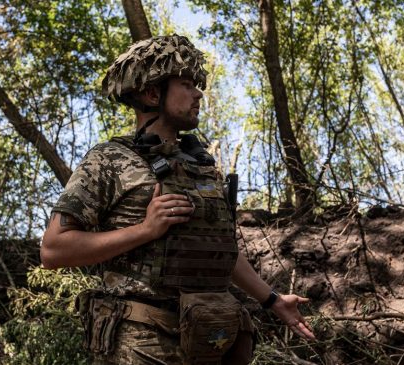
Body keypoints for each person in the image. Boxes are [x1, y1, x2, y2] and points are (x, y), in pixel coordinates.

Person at [40, 34, 314, 365]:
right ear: (152, 93)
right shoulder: (108, 160)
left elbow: (221, 251)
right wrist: (145, 229)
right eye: (186, 84)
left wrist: (272, 300)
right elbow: (54, 250)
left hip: (208, 339)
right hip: (139, 344)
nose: (199, 93)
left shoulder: (201, 166)